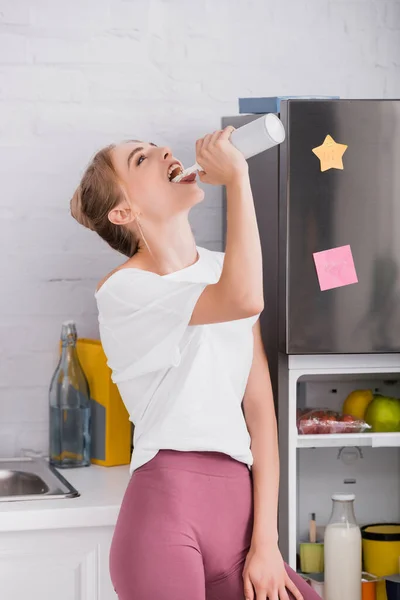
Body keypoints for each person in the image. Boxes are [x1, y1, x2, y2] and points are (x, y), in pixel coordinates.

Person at [70, 128, 321, 600]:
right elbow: (244, 297)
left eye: (156, 146)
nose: (165, 151)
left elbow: (262, 414)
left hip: (240, 520)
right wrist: (240, 179)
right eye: (141, 159)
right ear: (124, 212)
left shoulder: (224, 267)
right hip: (163, 516)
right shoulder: (124, 291)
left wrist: (266, 543)